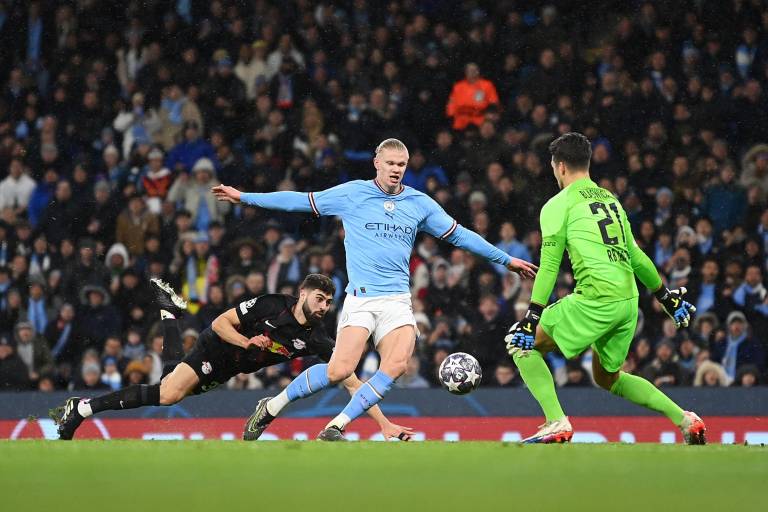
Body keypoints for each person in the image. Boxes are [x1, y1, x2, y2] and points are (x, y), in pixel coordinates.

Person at [213, 138, 537, 441]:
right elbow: (298, 201)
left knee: (396, 365)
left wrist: (505, 259)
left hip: (397, 300)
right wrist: (244, 197)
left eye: (403, 164)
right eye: (391, 163)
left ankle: (337, 424)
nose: (397, 169)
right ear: (377, 163)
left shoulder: (420, 203)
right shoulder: (353, 194)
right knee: (339, 370)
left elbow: (460, 235)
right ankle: (272, 406)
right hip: (361, 299)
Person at [505, 132, 705, 444]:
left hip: (597, 297)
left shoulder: (558, 205)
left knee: (520, 343)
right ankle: (685, 419)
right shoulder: (610, 199)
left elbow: (549, 265)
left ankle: (556, 421)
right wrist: (665, 297)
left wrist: (531, 317)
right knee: (607, 377)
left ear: (559, 167)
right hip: (628, 302)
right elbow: (635, 255)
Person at [52, 275, 410, 441]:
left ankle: (170, 316)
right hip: (217, 348)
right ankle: (81, 408)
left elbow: (349, 378)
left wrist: (382, 422)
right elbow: (220, 322)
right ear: (302, 293)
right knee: (169, 394)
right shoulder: (272, 304)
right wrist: (245, 340)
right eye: (319, 298)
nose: (324, 306)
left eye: (329, 302)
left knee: (167, 384)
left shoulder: (315, 337)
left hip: (229, 368)